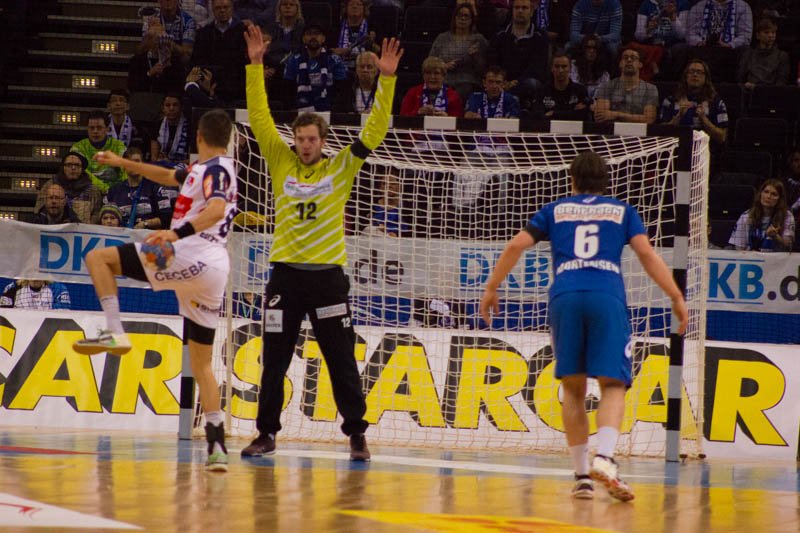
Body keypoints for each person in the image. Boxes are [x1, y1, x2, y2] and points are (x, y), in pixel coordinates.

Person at [479, 151, 688, 502]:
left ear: (572, 180)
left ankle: (581, 477)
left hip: (565, 296)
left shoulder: (555, 209)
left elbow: (517, 244)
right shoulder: (622, 211)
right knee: (613, 384)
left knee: (573, 388)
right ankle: (604, 458)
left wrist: (491, 286)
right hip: (606, 297)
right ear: (606, 181)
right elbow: (647, 255)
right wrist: (676, 296)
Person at [241, 24, 403, 461]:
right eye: (301, 138)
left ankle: (356, 434)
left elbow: (375, 131)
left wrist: (386, 79)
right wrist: (255, 66)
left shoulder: (342, 167)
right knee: (274, 361)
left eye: (313, 139)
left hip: (329, 280)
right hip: (286, 278)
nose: (306, 145)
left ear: (324, 141)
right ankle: (266, 434)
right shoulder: (280, 159)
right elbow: (258, 118)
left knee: (341, 361)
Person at [71, 108, 238, 472]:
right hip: (212, 274)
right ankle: (217, 446)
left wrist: (174, 234)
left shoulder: (217, 170)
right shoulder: (198, 171)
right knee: (202, 365)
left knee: (98, 260)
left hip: (186, 253)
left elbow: (216, 209)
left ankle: (114, 332)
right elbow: (166, 174)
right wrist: (122, 162)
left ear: (198, 137)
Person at [190, 0, 248, 105]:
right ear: (212, 9)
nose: (222, 10)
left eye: (226, 7)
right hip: (209, 84)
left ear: (232, 8)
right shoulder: (204, 33)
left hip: (237, 88)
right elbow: (197, 60)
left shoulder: (244, 32)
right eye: (218, 8)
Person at [658, 59, 727, 145]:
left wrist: (704, 119)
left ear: (706, 78)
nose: (695, 75)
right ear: (685, 76)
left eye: (699, 72)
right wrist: (678, 117)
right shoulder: (670, 101)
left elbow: (722, 137)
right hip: (677, 148)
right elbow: (660, 134)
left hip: (706, 149)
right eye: (691, 72)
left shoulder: (717, 103)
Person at [429, 3, 489, 101]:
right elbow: (429, 62)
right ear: (455, 18)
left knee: (461, 92)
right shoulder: (442, 38)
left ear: (471, 20)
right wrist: (444, 66)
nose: (463, 18)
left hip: (468, 81)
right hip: (443, 80)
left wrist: (474, 57)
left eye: (466, 16)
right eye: (460, 15)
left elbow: (482, 69)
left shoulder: (478, 39)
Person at [283, 24, 349, 112]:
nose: (313, 37)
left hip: (329, 111)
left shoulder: (334, 60)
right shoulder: (294, 60)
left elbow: (342, 91)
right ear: (303, 39)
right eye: (309, 34)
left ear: (323, 39)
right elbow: (288, 91)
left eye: (317, 34)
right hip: (300, 110)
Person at [104, 147, 171, 229]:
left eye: (137, 162)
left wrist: (146, 223)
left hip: (147, 237)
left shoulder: (155, 188)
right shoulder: (113, 191)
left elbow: (167, 218)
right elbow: (103, 218)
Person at [34, 152, 103, 224]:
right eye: (69, 165)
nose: (73, 168)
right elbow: (38, 209)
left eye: (77, 165)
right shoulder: (50, 185)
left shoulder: (93, 190)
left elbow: (96, 214)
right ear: (63, 167)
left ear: (82, 169)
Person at [593, 48, 658, 124]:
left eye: (633, 58)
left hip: (638, 134)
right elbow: (600, 117)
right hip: (611, 134)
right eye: (625, 57)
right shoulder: (607, 86)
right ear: (620, 63)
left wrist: (617, 115)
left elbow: (649, 119)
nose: (629, 60)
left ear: (640, 64)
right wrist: (636, 118)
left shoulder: (650, 89)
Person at [728, 178, 795, 252]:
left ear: (780, 199)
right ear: (760, 194)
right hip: (751, 260)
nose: (768, 196)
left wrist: (776, 237)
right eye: (766, 192)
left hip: (777, 261)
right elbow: (739, 249)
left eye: (774, 194)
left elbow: (789, 247)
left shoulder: (787, 216)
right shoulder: (746, 216)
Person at [70, 110, 128, 192]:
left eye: (99, 128)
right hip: (86, 190)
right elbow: (80, 174)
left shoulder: (119, 147)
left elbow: (125, 174)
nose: (95, 131)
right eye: (91, 128)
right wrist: (105, 189)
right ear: (87, 129)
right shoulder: (78, 148)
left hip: (115, 192)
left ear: (107, 129)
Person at [531, 49, 591, 120]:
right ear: (551, 68)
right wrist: (570, 112)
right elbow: (537, 115)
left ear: (570, 68)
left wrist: (554, 113)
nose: (560, 70)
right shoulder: (542, 91)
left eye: (564, 66)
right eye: (557, 66)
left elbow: (582, 115)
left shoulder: (580, 91)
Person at [736, 16, 790, 89]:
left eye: (773, 32)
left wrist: (759, 88)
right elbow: (740, 79)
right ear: (758, 35)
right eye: (766, 32)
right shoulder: (748, 55)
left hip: (771, 95)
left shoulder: (782, 56)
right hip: (750, 94)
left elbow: (781, 82)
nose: (770, 35)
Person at [570, 34, 611, 100]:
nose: (592, 51)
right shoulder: (573, 67)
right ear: (583, 49)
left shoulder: (604, 74)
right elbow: (573, 88)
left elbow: (602, 95)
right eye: (588, 48)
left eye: (594, 48)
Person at [0, 279, 71, 310]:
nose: (35, 276)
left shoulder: (58, 289)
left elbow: (62, 316)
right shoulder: (12, 288)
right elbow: (4, 314)